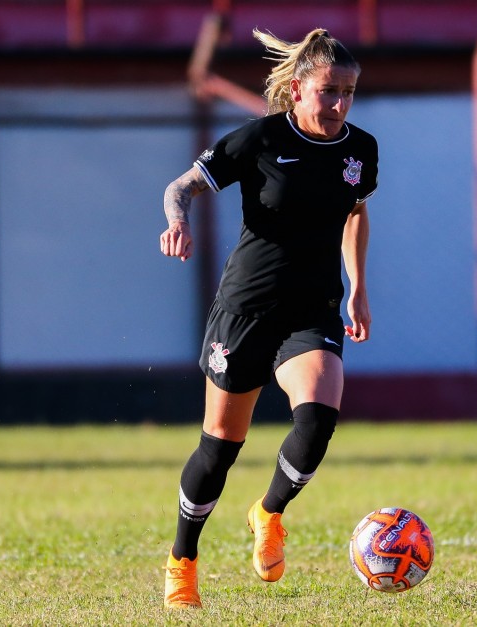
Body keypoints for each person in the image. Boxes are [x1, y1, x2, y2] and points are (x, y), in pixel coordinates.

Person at [159, 27, 377, 609]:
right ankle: (183, 560)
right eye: (329, 91)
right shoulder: (258, 139)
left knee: (318, 417)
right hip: (246, 310)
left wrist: (356, 287)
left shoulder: (361, 149)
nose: (339, 105)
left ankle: (269, 512)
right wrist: (177, 220)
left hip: (314, 309)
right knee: (219, 448)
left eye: (349, 92)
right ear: (299, 89)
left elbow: (356, 213)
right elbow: (180, 187)